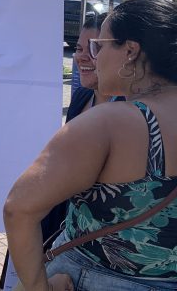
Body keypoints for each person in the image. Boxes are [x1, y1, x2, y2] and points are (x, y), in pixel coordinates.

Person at [4, 0, 177, 291]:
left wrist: (39, 287)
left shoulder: (109, 123)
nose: (94, 57)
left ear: (130, 51)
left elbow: (18, 208)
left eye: (99, 46)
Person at [40, 13, 124, 248]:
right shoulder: (82, 96)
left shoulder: (129, 110)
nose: (81, 57)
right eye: (78, 49)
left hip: (101, 235)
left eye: (95, 48)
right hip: (64, 218)